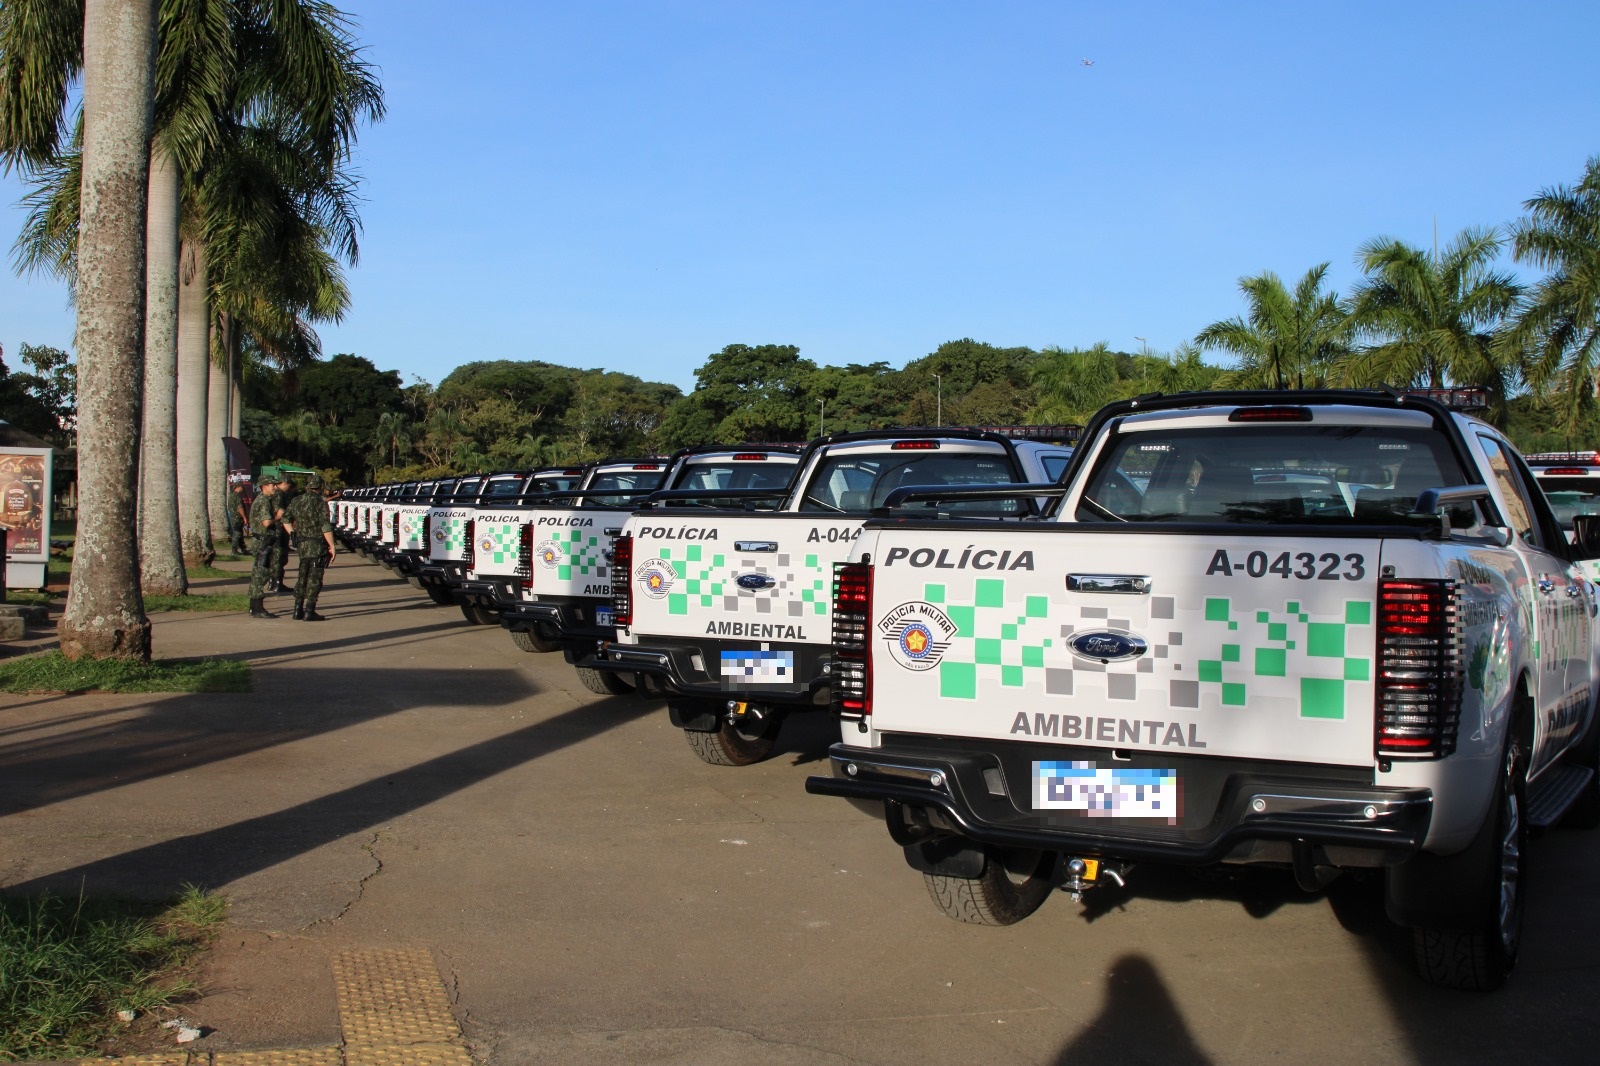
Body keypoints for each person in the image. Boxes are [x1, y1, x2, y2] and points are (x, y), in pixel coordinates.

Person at [282, 474, 336, 620]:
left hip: (302, 544)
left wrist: (292, 533)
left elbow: (285, 519)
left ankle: (297, 609)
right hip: (316, 543)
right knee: (315, 578)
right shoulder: (320, 502)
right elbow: (325, 526)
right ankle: (309, 610)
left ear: (307, 486)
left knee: (302, 576)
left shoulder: (296, 500)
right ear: (320, 487)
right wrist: (331, 545)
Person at [247, 480, 280, 618]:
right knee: (262, 572)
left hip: (262, 540)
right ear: (264, 486)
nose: (275, 487)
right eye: (272, 485)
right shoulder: (263, 500)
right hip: (262, 542)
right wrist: (278, 517)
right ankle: (257, 607)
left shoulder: (264, 499)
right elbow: (266, 522)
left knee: (259, 572)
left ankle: (254, 606)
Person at [269, 474, 295, 594]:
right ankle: (277, 583)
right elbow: (280, 512)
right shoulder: (279, 495)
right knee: (279, 557)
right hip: (279, 529)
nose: (289, 488)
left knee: (276, 557)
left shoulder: (276, 494)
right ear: (284, 483)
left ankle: (272, 582)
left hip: (277, 529)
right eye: (288, 486)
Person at [227, 482, 248, 554]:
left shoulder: (231, 496)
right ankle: (234, 550)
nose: (242, 488)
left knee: (240, 533)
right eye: (241, 487)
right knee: (237, 533)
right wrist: (244, 517)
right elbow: (240, 507)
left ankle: (243, 549)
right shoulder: (237, 496)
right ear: (238, 487)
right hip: (237, 517)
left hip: (233, 517)